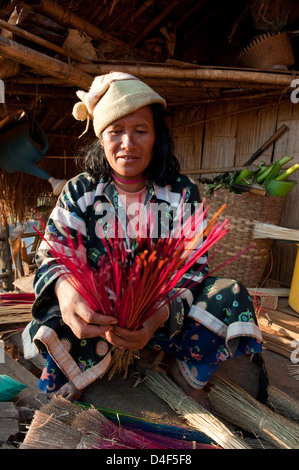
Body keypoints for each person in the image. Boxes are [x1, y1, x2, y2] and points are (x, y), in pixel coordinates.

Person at [22, 72, 263, 409]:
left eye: (141, 131)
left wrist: (156, 318)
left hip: (163, 316)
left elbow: (194, 266)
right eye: (115, 131)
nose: (128, 144)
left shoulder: (181, 192)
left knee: (229, 295)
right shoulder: (81, 190)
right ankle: (78, 371)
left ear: (157, 137)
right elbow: (55, 254)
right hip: (97, 318)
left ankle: (183, 371)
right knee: (56, 308)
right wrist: (67, 293)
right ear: (101, 138)